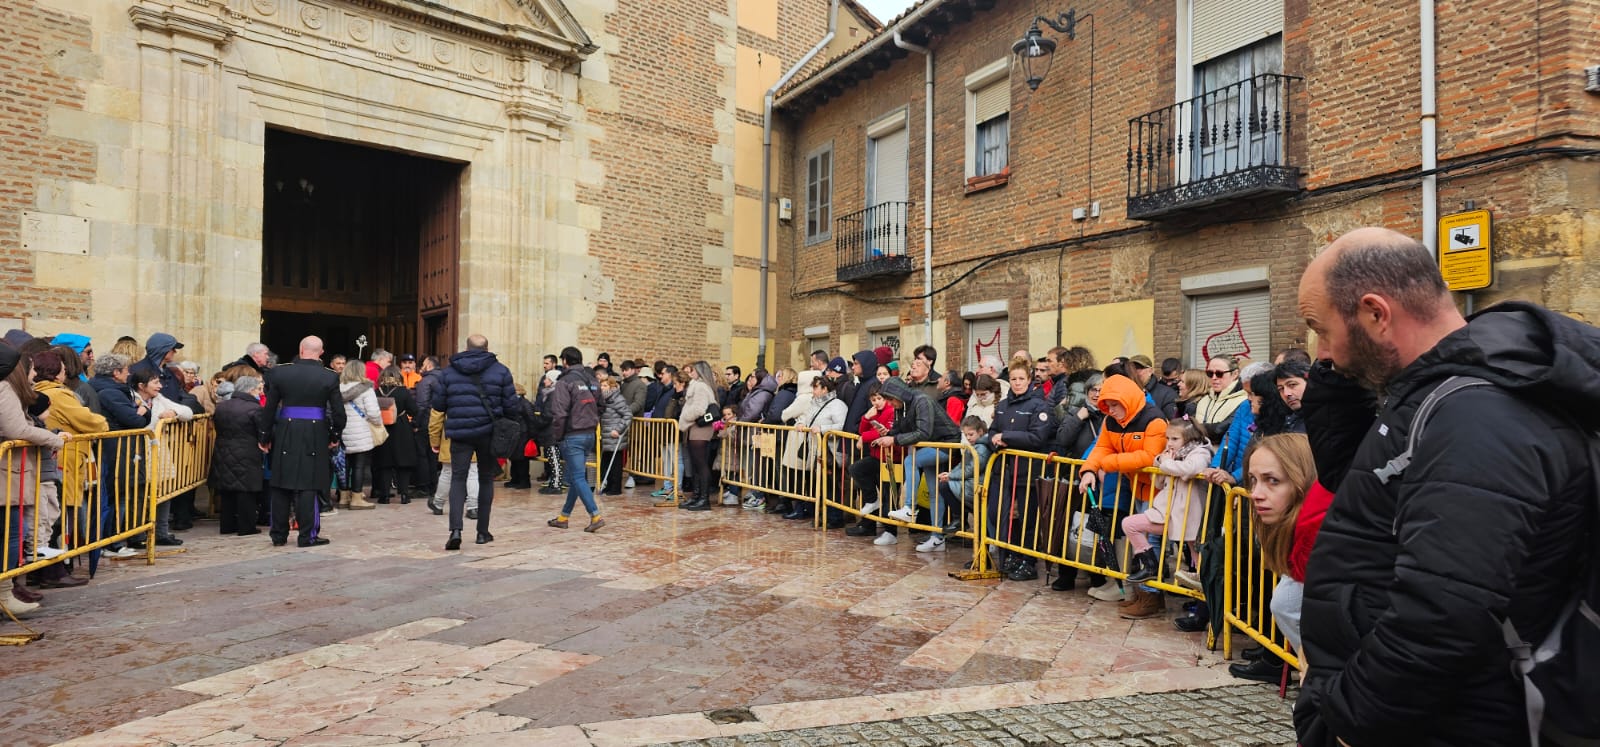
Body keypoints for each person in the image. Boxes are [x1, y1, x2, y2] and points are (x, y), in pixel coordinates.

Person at [1294, 227, 1598, 747]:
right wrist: (1337, 383)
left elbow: (1443, 611)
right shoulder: (1440, 396)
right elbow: (1366, 495)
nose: (1323, 354)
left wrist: (1348, 724)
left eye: (1320, 330)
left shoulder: (1477, 414)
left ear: (1375, 314)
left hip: (1456, 722)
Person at [1228, 432, 1317, 684]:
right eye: (1253, 480)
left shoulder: (1326, 542)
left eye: (1272, 481)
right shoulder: (1294, 530)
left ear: (1302, 480)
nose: (1255, 493)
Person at [1076, 374, 1169, 592]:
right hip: (1138, 488)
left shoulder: (1154, 420)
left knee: (1152, 543)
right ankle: (1142, 594)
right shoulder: (1112, 421)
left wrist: (1107, 464)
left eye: (1114, 405)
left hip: (1158, 489)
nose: (1111, 410)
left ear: (1126, 400)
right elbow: (1101, 448)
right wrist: (1089, 469)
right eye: (1107, 405)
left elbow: (1149, 456)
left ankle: (1151, 597)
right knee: (1142, 543)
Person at [260, 336, 345, 548]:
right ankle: (307, 536)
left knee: (280, 483)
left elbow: (269, 409)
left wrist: (265, 436)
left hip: (286, 430)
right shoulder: (329, 376)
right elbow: (339, 413)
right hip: (315, 431)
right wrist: (334, 436)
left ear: (300, 349)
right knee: (309, 484)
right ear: (321, 352)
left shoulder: (279, 372)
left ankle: (278, 535)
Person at [434, 335, 517, 548]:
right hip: (488, 432)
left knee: (458, 479)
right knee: (486, 479)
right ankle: (482, 532)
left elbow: (439, 404)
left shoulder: (449, 371)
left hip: (461, 433)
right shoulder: (500, 370)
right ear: (487, 348)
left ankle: (455, 530)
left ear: (466, 348)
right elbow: (511, 406)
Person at [0, 347, 67, 615]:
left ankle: (8, 593)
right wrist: (54, 439)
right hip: (7, 475)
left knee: (11, 535)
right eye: (30, 369)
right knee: (10, 537)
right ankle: (6, 594)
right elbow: (16, 429)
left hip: (11, 474)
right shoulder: (5, 389)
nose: (34, 374)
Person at [972, 363, 1057, 572]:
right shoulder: (1002, 405)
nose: (1017, 383)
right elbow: (992, 432)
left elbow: (1037, 437)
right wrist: (995, 439)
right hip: (1003, 470)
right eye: (1013, 379)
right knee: (997, 514)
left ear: (1029, 380)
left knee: (1027, 519)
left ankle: (1027, 562)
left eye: (1021, 379)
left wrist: (1007, 437)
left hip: (1027, 471)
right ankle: (1007, 555)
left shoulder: (1039, 406)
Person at [1121, 419, 1213, 590]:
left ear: (1189, 438)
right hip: (1167, 513)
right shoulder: (1169, 455)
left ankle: (1205, 605)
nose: (1169, 443)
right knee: (1129, 524)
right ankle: (1150, 565)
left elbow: (1190, 469)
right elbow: (1157, 482)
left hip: (1190, 515)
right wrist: (1159, 461)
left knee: (1197, 555)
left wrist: (1166, 463)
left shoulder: (1201, 452)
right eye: (1168, 438)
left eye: (1174, 439)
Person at [882, 375, 966, 546]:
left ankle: (909, 508)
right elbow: (900, 428)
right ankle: (937, 537)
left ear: (898, 394)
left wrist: (895, 439)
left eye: (890, 399)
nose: (890, 403)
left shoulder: (922, 401)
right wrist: (889, 434)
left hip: (946, 444)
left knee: (910, 461)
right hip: (933, 446)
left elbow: (923, 432)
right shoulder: (903, 405)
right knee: (935, 492)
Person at [209, 375, 266, 536]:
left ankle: (227, 525)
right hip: (247, 451)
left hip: (223, 450)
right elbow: (262, 431)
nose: (259, 392)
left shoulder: (222, 406)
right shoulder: (254, 409)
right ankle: (246, 527)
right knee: (246, 491)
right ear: (250, 390)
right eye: (257, 389)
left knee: (227, 489)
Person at [844, 382, 900, 539]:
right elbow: (864, 430)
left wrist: (864, 437)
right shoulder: (876, 411)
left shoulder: (891, 411)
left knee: (890, 495)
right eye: (873, 399)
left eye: (879, 398)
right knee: (856, 469)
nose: (876, 402)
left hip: (891, 459)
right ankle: (871, 500)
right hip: (877, 457)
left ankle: (891, 531)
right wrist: (866, 417)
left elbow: (881, 432)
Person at [336, 363, 383, 511]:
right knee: (359, 465)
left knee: (344, 465)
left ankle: (344, 496)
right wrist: (377, 423)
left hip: (342, 430)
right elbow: (373, 412)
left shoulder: (338, 387)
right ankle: (356, 497)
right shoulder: (366, 388)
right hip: (360, 430)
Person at [674, 367, 718, 511]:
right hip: (695, 427)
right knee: (696, 465)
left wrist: (685, 417)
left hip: (700, 427)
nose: (690, 373)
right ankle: (697, 496)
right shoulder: (698, 386)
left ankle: (703, 499)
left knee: (700, 464)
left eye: (693, 370)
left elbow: (699, 409)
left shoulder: (700, 386)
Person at [373, 365, 419, 505]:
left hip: (382, 429)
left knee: (384, 463)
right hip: (401, 428)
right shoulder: (403, 392)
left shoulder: (376, 392)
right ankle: (404, 495)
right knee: (403, 463)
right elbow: (414, 410)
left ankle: (384, 495)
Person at [1193, 355, 1246, 446]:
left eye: (1219, 373)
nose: (1214, 377)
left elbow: (1221, 430)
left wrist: (1193, 429)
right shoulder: (1204, 400)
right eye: (1210, 373)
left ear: (1235, 374)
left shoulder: (1244, 400)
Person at [597, 376, 631, 497]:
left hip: (614, 435)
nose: (602, 388)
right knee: (607, 461)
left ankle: (615, 487)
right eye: (601, 385)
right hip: (606, 435)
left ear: (612, 387)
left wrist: (618, 429)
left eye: (605, 386)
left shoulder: (617, 399)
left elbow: (627, 415)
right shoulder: (604, 399)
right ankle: (609, 484)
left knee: (615, 462)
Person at [1127, 354, 1178, 420]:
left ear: (1150, 371)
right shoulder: (1125, 392)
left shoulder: (1167, 394)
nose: (1134, 372)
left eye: (1138, 368)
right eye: (1130, 369)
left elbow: (1173, 422)